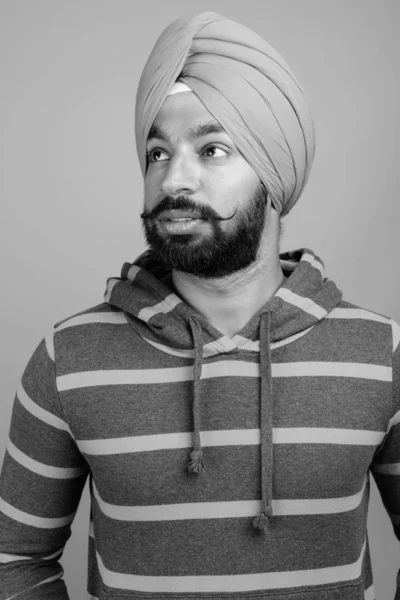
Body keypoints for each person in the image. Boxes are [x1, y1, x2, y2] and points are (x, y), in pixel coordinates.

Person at [0, 10, 399, 600]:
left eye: (212, 149)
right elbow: (15, 560)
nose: (173, 180)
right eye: (158, 152)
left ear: (274, 177)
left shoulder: (380, 354)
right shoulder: (67, 358)